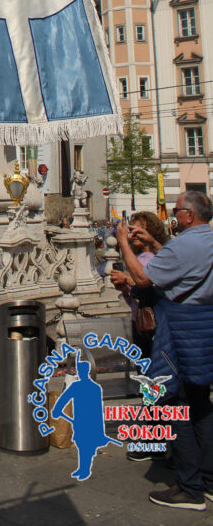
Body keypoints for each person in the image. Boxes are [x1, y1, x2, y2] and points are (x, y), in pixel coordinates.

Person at [116, 191, 213, 510]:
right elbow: (185, 266)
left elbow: (143, 278)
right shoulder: (206, 240)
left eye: (177, 209)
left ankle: (189, 487)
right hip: (205, 326)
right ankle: (208, 479)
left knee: (175, 403)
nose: (173, 214)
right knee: (201, 402)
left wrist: (124, 242)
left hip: (180, 329)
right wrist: (156, 244)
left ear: (189, 215)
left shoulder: (184, 244)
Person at [110, 210, 168, 358]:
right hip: (140, 322)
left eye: (138, 230)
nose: (134, 234)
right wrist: (125, 289)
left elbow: (147, 283)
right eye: (131, 230)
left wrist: (129, 279)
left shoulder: (156, 257)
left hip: (156, 324)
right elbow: (135, 302)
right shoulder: (137, 257)